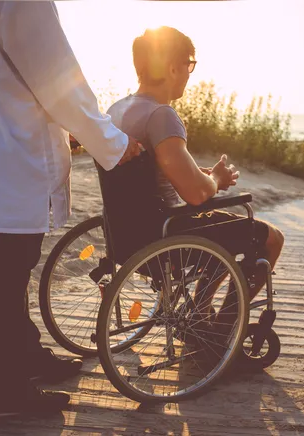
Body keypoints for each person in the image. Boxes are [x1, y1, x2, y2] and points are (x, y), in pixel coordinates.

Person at [0, 1, 144, 418]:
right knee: (11, 265)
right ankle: (3, 391)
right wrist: (112, 142)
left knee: (13, 260)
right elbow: (55, 76)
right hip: (14, 142)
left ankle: (25, 357)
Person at [106, 27, 285, 326]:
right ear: (173, 67)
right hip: (164, 234)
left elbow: (144, 171)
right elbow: (196, 195)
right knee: (271, 238)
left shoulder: (116, 110)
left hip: (124, 236)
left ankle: (201, 310)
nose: (190, 72)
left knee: (219, 226)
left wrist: (193, 173)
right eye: (189, 64)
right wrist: (216, 178)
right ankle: (226, 326)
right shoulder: (161, 115)